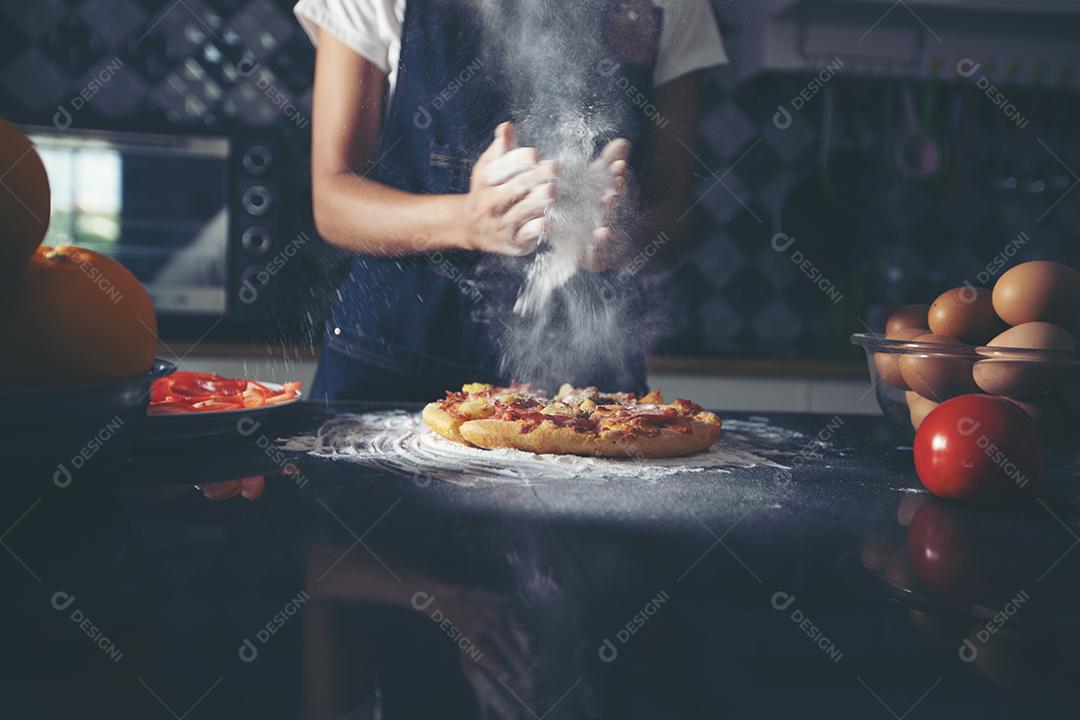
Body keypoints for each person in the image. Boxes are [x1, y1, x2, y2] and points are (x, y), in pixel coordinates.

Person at [294, 0, 727, 402]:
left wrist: (626, 231)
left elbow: (676, 218)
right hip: (390, 365)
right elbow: (334, 198)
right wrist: (466, 220)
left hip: (583, 391)